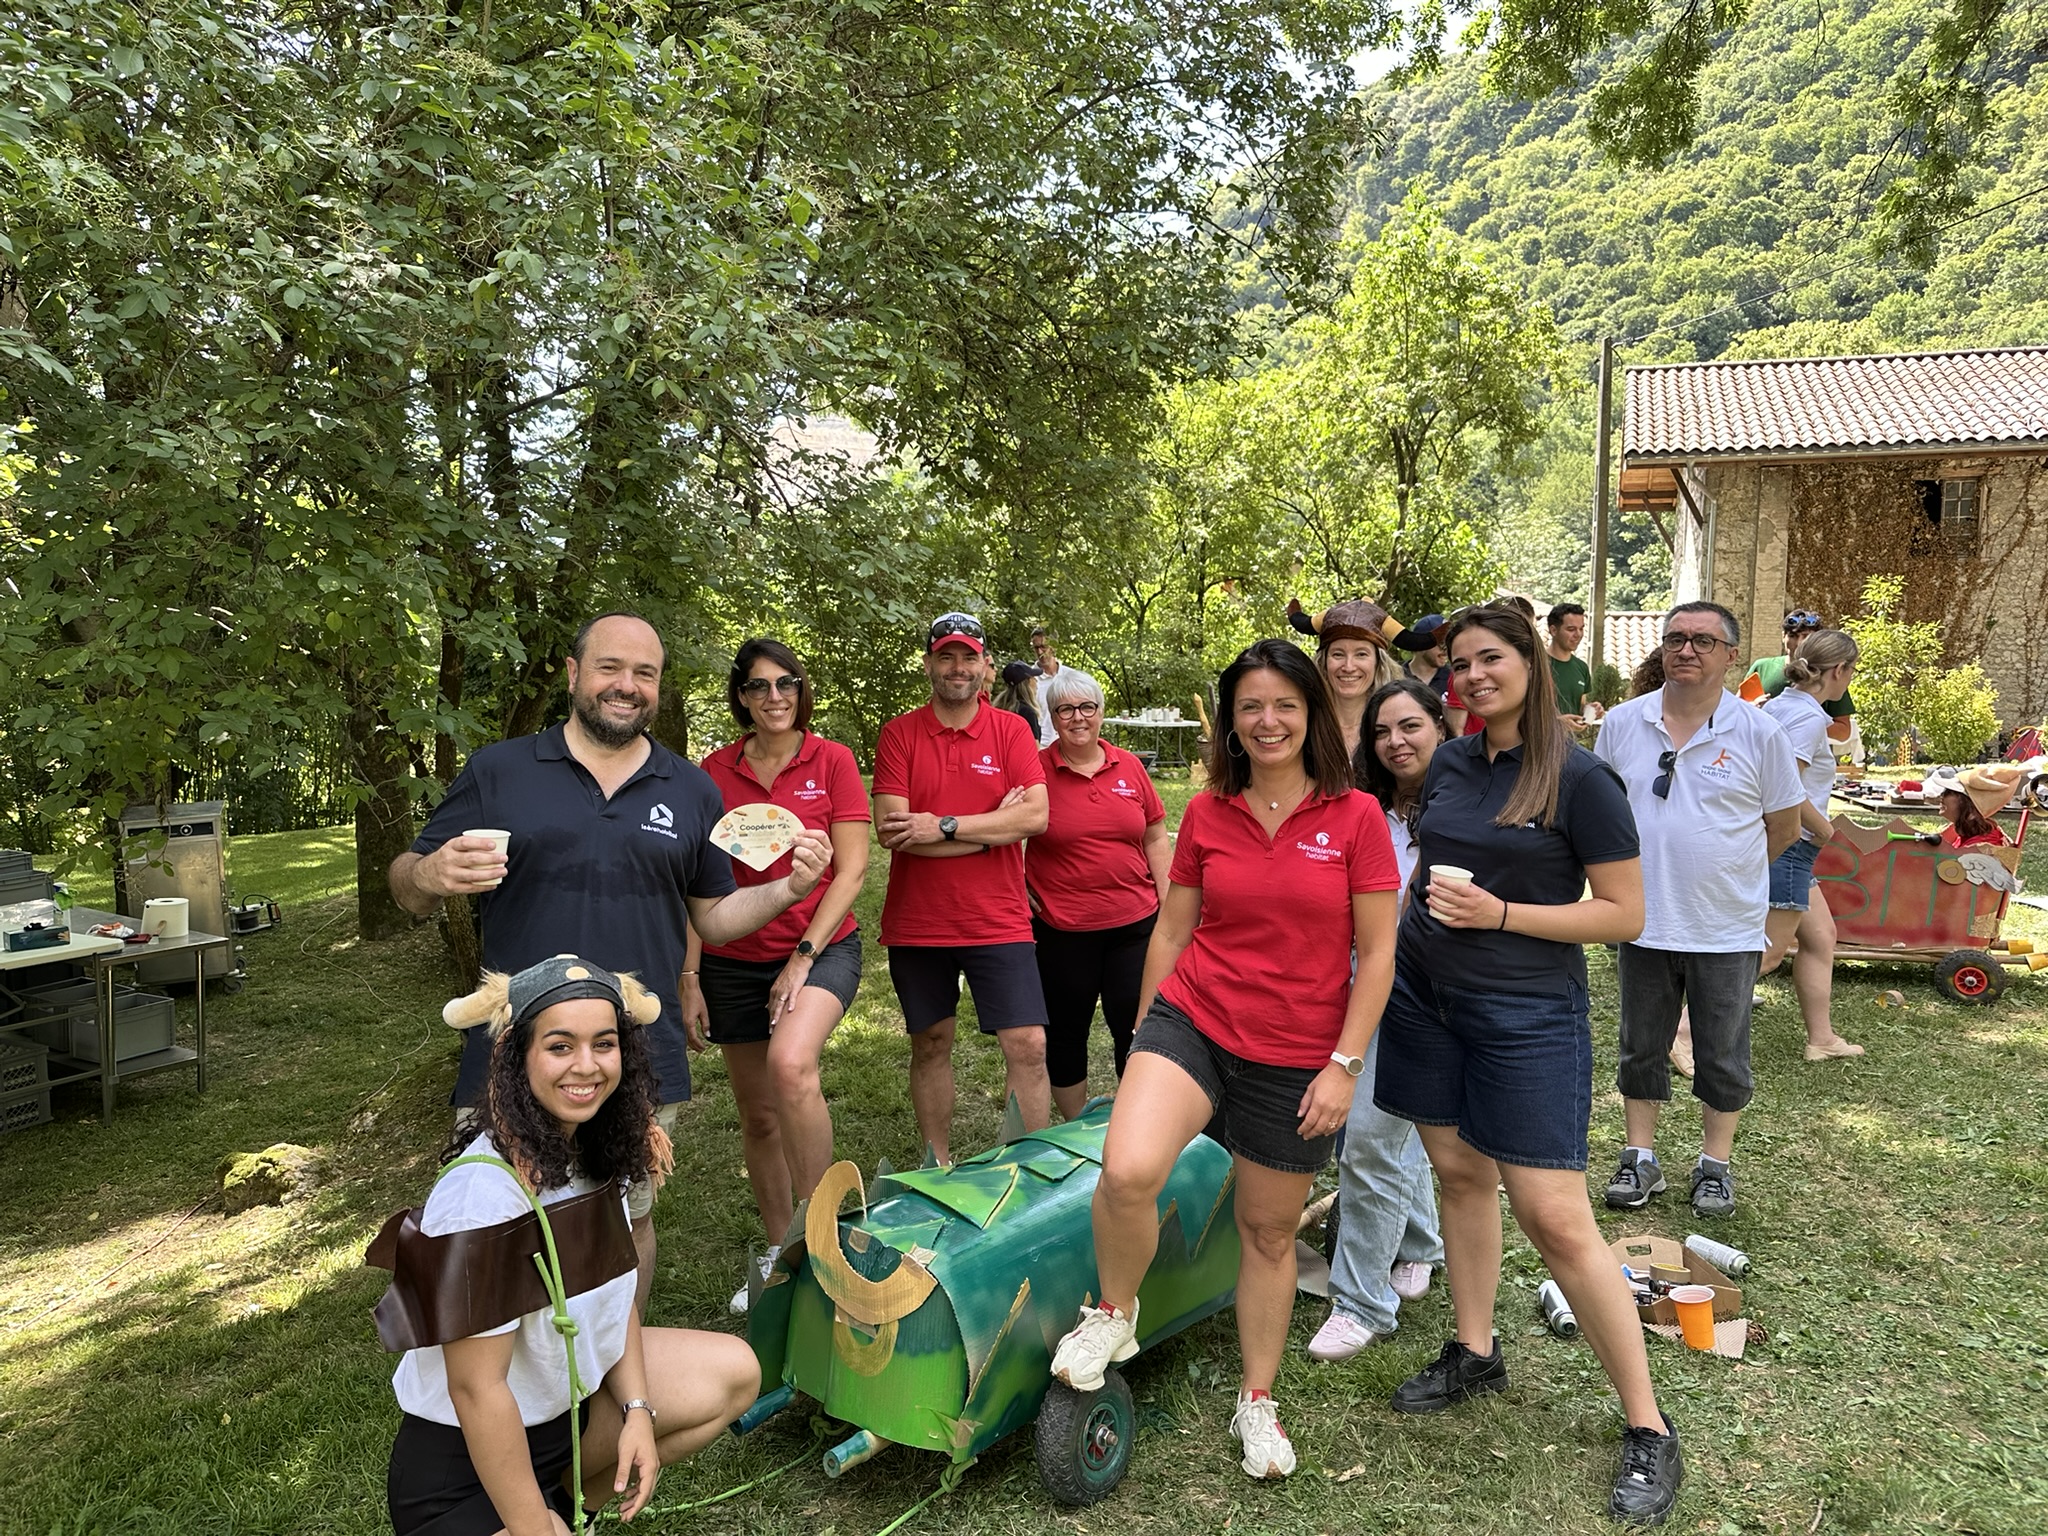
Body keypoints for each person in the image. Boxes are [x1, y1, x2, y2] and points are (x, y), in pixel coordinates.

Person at [389, 612, 832, 1309]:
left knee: (627, 1219)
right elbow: (405, 887)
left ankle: (613, 1387)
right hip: (514, 1048)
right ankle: (504, 1396)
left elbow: (713, 916)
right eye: (610, 668)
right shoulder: (499, 770)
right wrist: (428, 875)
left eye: (645, 674)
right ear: (573, 675)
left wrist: (788, 889)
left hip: (636, 1051)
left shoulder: (689, 789)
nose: (626, 686)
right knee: (498, 1223)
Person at [1047, 638, 1398, 1481]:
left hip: (1297, 1053)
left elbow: (1378, 953)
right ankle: (1114, 1312)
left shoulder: (1354, 819)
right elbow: (1172, 929)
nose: (1267, 720)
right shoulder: (1209, 811)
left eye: (1284, 704)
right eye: (1250, 706)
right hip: (1193, 1018)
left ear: (1311, 712)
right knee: (1127, 1170)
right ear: (1231, 723)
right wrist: (1139, 1042)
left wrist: (1344, 1066)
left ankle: (1256, 1401)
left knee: (1268, 1233)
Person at [1372, 604, 1682, 1525]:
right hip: (1426, 1000)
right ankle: (1475, 1350)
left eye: (1491, 658)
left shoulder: (1582, 779)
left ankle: (1649, 1426)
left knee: (1554, 1217)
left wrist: (1503, 916)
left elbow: (1623, 914)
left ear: (1532, 662)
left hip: (1527, 1011)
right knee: (1457, 1174)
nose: (1472, 676)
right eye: (1460, 664)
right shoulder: (1451, 761)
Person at [379, 955, 759, 1536]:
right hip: (463, 1468)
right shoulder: (483, 1191)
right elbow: (475, 1390)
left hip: (564, 1425)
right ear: (517, 1055)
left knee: (732, 1371)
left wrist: (636, 1411)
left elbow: (616, 1299)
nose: (586, 1066)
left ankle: (564, 1503)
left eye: (603, 1044)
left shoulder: (596, 1150)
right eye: (560, 1046)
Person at [1595, 602, 1803, 1223]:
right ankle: (1640, 1156)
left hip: (1724, 924)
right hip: (1640, 920)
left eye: (1703, 641)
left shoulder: (1760, 732)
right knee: (1640, 1047)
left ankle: (1715, 1165)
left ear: (1731, 656)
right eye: (1676, 639)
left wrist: (1728, 868)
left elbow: (1786, 826)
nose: (1687, 650)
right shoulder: (1623, 724)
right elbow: (1601, 814)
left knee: (1722, 1052)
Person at [681, 639, 871, 1313]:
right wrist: (690, 973)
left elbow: (851, 870)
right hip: (731, 961)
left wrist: (803, 955)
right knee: (758, 1115)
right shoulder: (711, 774)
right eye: (759, 687)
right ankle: (781, 1250)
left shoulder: (834, 761)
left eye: (787, 683)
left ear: (802, 688)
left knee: (792, 1067)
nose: (774, 697)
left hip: (820, 949)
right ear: (740, 696)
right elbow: (697, 889)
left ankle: (826, 1242)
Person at [874, 613, 1052, 1163]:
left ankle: (1024, 1175)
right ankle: (939, 1166)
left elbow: (1036, 817)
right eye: (946, 656)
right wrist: (988, 831)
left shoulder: (1012, 730)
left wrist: (944, 825)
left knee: (1028, 1045)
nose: (958, 668)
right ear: (929, 663)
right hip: (919, 922)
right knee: (931, 1045)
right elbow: (894, 831)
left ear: (985, 667)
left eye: (968, 657)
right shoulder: (899, 733)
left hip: (998, 917)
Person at [1305, 679, 1447, 1363]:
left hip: (1435, 998)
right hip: (1358, 993)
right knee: (1385, 1132)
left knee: (1367, 1139)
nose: (1396, 742)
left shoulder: (1467, 811)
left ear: (1441, 729)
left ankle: (1362, 1302)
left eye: (1411, 726)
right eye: (1383, 731)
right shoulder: (1357, 812)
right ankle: (1419, 1242)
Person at [1025, 667, 1171, 1118]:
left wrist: (1170, 906)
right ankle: (1074, 1127)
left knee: (1136, 1027)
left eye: (1087, 707)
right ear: (1053, 717)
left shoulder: (1128, 765)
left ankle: (1132, 1123)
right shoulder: (1035, 770)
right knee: (1067, 1031)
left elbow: (1154, 835)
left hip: (1136, 924)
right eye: (1065, 709)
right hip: (1063, 928)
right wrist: (1015, 887)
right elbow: (1007, 833)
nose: (1077, 718)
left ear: (1101, 713)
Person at [1759, 629, 1864, 1062]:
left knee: (1821, 938)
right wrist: (1823, 829)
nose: (1850, 679)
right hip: (1792, 844)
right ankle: (1683, 1033)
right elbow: (1785, 788)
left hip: (1791, 847)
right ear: (1839, 670)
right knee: (1766, 954)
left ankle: (1821, 1038)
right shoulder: (1805, 718)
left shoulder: (1779, 706)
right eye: (1851, 671)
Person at [1287, 598, 1408, 755]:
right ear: (1323, 662)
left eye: (1361, 654)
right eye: (1338, 654)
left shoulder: (1399, 723)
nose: (1348, 667)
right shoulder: (1303, 722)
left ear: (1378, 663)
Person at [1743, 609, 1858, 746]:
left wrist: (1802, 725)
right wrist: (1753, 709)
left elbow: (1844, 730)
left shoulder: (1829, 676)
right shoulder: (1762, 666)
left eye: (1805, 636)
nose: (1798, 642)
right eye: (1792, 636)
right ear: (1783, 637)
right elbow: (1737, 708)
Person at [1029, 626, 1096, 747]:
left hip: (1070, 744)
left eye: (1043, 647)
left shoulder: (1071, 676)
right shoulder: (1030, 680)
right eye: (1036, 648)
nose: (1039, 652)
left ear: (1053, 647)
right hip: (1042, 747)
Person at [1927, 766, 2013, 848]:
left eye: (1950, 792)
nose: (1942, 795)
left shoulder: (1982, 847)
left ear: (1972, 809)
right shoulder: (1967, 831)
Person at [1547, 603, 1592, 728]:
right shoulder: (1534, 665)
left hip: (1572, 744)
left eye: (1581, 628)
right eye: (1571, 629)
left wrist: (1591, 711)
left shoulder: (1581, 667)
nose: (1578, 634)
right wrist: (1557, 723)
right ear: (1553, 630)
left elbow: (1580, 707)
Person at [1394, 613, 1452, 696]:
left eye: (1449, 642)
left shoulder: (1454, 678)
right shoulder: (1394, 677)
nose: (1446, 649)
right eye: (1441, 643)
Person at [995, 660, 1043, 742]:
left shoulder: (998, 709)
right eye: (1033, 678)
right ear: (1027, 682)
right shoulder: (1027, 713)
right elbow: (1033, 749)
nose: (1036, 681)